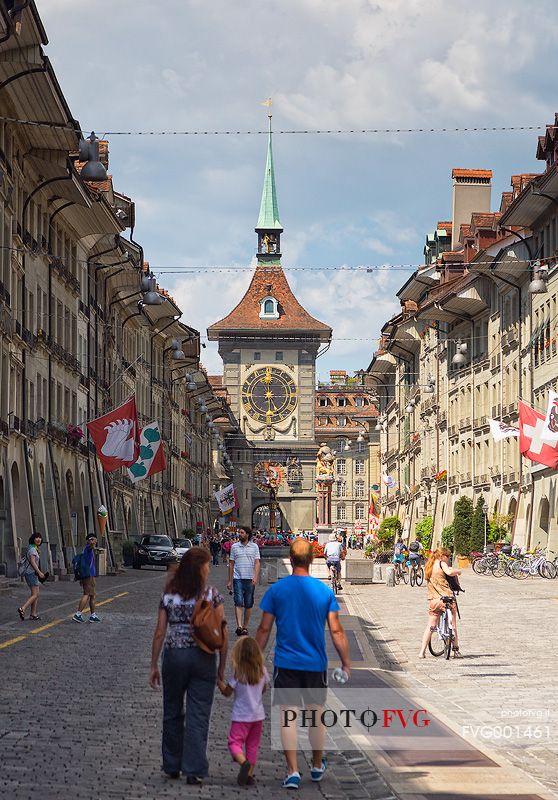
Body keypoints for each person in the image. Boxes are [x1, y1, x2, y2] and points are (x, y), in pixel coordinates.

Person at [255, 538, 350, 790]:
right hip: (315, 663)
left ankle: (293, 770)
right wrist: (345, 662)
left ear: (290, 557)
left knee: (288, 716)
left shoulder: (277, 590)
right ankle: (317, 765)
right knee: (316, 715)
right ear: (312, 559)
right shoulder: (324, 592)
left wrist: (256, 659)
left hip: (286, 662)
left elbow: (264, 629)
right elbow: (337, 631)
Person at [149, 547, 228, 783]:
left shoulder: (169, 594)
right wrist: (221, 670)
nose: (209, 568)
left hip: (174, 656)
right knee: (198, 714)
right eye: (207, 564)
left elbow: (160, 632)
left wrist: (153, 664)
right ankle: (194, 770)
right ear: (200, 568)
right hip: (203, 657)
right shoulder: (211, 594)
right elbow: (221, 634)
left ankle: (172, 765)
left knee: (172, 711)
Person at [218, 637, 269, 786]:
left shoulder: (238, 673)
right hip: (258, 716)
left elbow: (227, 692)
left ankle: (243, 762)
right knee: (252, 745)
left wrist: (219, 683)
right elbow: (264, 689)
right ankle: (249, 774)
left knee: (234, 742)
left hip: (241, 716)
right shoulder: (262, 671)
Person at [419, 547, 462, 659]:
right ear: (442, 556)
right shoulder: (441, 563)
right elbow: (449, 572)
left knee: (431, 626)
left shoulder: (428, 566)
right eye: (447, 556)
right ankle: (456, 649)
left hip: (434, 599)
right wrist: (458, 571)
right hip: (446, 598)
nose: (448, 559)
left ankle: (422, 652)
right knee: (453, 625)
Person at [228, 527, 261, 637]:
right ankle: (239, 626)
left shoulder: (254, 547)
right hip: (238, 578)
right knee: (238, 601)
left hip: (250, 578)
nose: (239, 534)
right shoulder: (234, 547)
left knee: (248, 603)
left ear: (247, 534)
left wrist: (255, 576)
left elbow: (257, 563)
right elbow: (231, 564)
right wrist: (229, 580)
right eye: (239, 532)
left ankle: (245, 627)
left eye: (242, 532)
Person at [72, 534, 100, 623]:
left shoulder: (87, 549)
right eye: (92, 539)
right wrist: (92, 542)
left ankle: (93, 615)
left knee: (92, 595)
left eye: (94, 539)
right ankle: (78, 614)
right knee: (87, 594)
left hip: (89, 575)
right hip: (88, 575)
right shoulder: (88, 548)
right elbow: (91, 546)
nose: (94, 541)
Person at [18, 533, 46, 621]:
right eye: (36, 538)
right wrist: (39, 572)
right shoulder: (33, 550)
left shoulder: (33, 548)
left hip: (32, 573)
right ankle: (23, 608)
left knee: (36, 594)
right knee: (35, 594)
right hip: (31, 573)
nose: (38, 539)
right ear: (33, 539)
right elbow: (33, 563)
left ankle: (33, 614)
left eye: (40, 538)